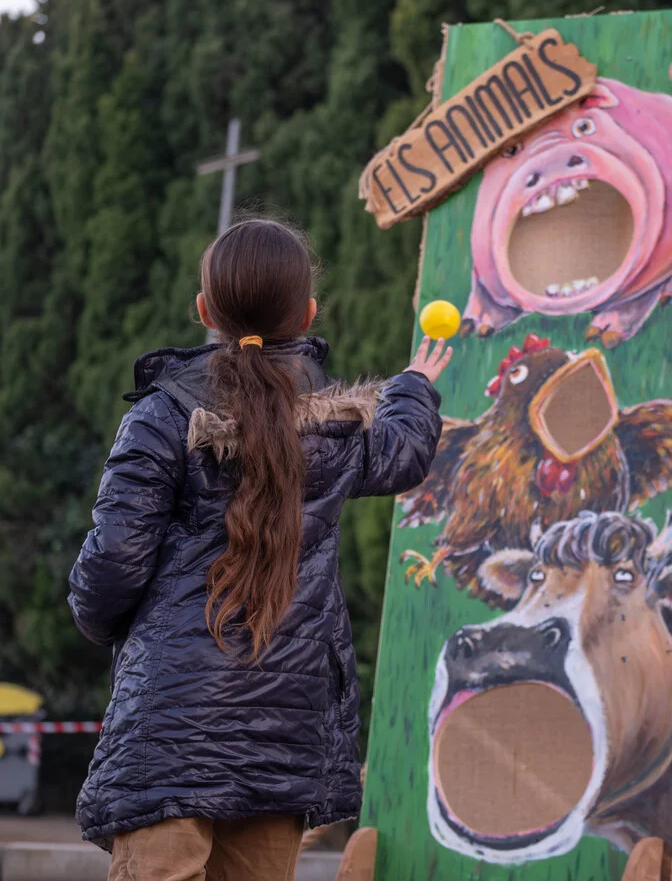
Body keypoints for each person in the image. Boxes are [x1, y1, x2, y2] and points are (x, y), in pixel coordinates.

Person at [68, 218, 450, 881]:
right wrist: (414, 381)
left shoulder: (162, 418)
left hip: (171, 724)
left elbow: (112, 563)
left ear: (203, 311)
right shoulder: (335, 432)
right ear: (305, 314)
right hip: (285, 731)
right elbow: (401, 452)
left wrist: (111, 633)